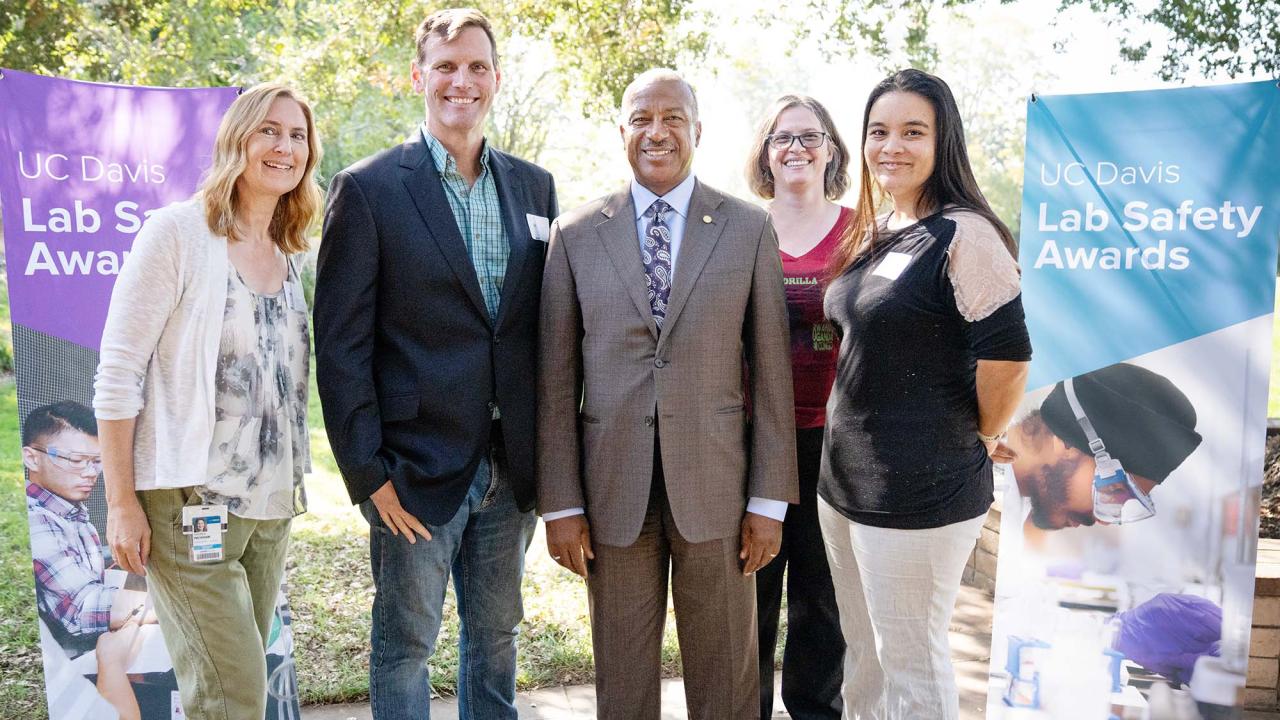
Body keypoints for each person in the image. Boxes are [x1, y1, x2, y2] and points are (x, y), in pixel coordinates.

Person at [313, 8, 557, 719]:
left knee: (498, 639)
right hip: (410, 471)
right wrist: (366, 475)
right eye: (446, 66)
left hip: (510, 469)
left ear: (496, 80)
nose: (462, 80)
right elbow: (341, 346)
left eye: (477, 66)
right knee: (404, 648)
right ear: (419, 77)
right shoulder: (369, 189)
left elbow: (537, 327)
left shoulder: (534, 189)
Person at [538, 68, 798, 719]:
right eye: (642, 119)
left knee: (727, 682)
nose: (658, 132)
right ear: (621, 130)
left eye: (673, 118)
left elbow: (771, 374)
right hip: (611, 497)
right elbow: (555, 382)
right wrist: (560, 503)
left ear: (697, 130)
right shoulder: (575, 235)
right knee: (622, 685)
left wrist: (770, 500)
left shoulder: (746, 230)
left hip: (720, 495)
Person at [95, 82, 322, 720]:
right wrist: (120, 502)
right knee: (233, 695)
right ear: (236, 141)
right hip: (191, 504)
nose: (284, 146)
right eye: (269, 131)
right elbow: (117, 374)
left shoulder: (288, 253)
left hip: (268, 507)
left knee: (228, 689)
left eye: (298, 135)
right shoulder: (176, 234)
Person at [819, 68, 1033, 719]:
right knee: (864, 659)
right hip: (846, 488)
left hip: (921, 493)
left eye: (914, 131)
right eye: (879, 131)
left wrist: (989, 430)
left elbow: (1009, 355)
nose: (892, 146)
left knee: (911, 666)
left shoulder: (965, 235)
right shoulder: (885, 228)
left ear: (945, 142)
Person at [744, 95, 849, 720]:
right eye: (782, 138)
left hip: (837, 440)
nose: (796, 149)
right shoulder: (738, 228)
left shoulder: (863, 231)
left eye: (809, 137)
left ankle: (815, 710)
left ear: (831, 148)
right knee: (751, 592)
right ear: (765, 153)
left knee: (822, 597)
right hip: (754, 438)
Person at [25, 400, 153, 720]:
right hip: (70, 668)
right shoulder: (37, 520)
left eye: (97, 461)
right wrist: (166, 601)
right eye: (77, 460)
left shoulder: (71, 511)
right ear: (31, 457)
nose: (90, 472)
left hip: (101, 643)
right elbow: (83, 609)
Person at [1004, 362, 1201, 531]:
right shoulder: (980, 483)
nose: (1102, 521)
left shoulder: (1010, 508)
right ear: (1068, 443)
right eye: (1113, 489)